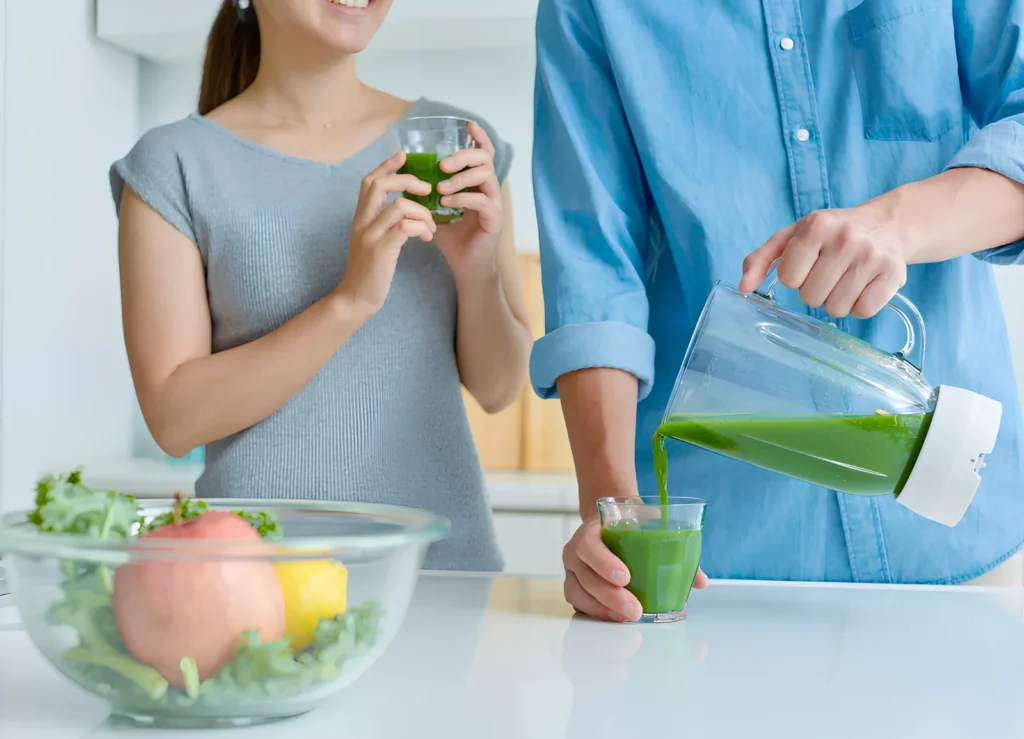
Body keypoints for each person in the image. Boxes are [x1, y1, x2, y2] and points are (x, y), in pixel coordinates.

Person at [531, 0, 1024, 621]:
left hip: (970, 543)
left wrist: (897, 224)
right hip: (725, 576)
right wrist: (613, 520)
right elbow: (594, 269)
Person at [109, 0, 530, 571]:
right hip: (253, 584)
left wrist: (474, 269)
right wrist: (350, 301)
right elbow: (175, 420)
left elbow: (500, 388)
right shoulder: (173, 166)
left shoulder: (454, 147)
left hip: (438, 576)